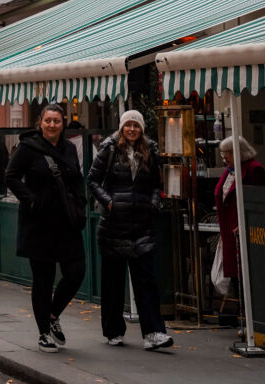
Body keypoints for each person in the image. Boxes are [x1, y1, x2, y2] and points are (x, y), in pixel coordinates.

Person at [88, 109, 172, 351]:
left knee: (147, 280)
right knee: (113, 283)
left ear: (142, 129)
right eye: (128, 125)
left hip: (142, 225)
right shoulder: (109, 149)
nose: (132, 129)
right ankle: (113, 331)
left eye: (136, 125)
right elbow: (92, 180)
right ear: (122, 127)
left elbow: (157, 184)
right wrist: (109, 202)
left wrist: (154, 204)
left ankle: (154, 332)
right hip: (114, 225)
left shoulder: (150, 151)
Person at [7, 102, 87, 353]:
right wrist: (30, 200)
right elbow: (10, 176)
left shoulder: (70, 148)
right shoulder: (28, 148)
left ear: (63, 124)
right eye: (48, 120)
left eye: (57, 121)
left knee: (76, 271)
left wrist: (80, 203)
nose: (52, 125)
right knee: (43, 280)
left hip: (66, 223)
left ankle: (53, 315)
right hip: (39, 223)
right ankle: (43, 332)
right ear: (40, 123)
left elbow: (77, 179)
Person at [215, 134, 265, 285]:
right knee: (236, 277)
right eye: (223, 153)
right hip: (229, 232)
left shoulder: (254, 169)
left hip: (245, 232)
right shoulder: (229, 171)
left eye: (229, 153)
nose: (225, 157)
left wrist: (247, 223)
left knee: (247, 276)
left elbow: (261, 201)